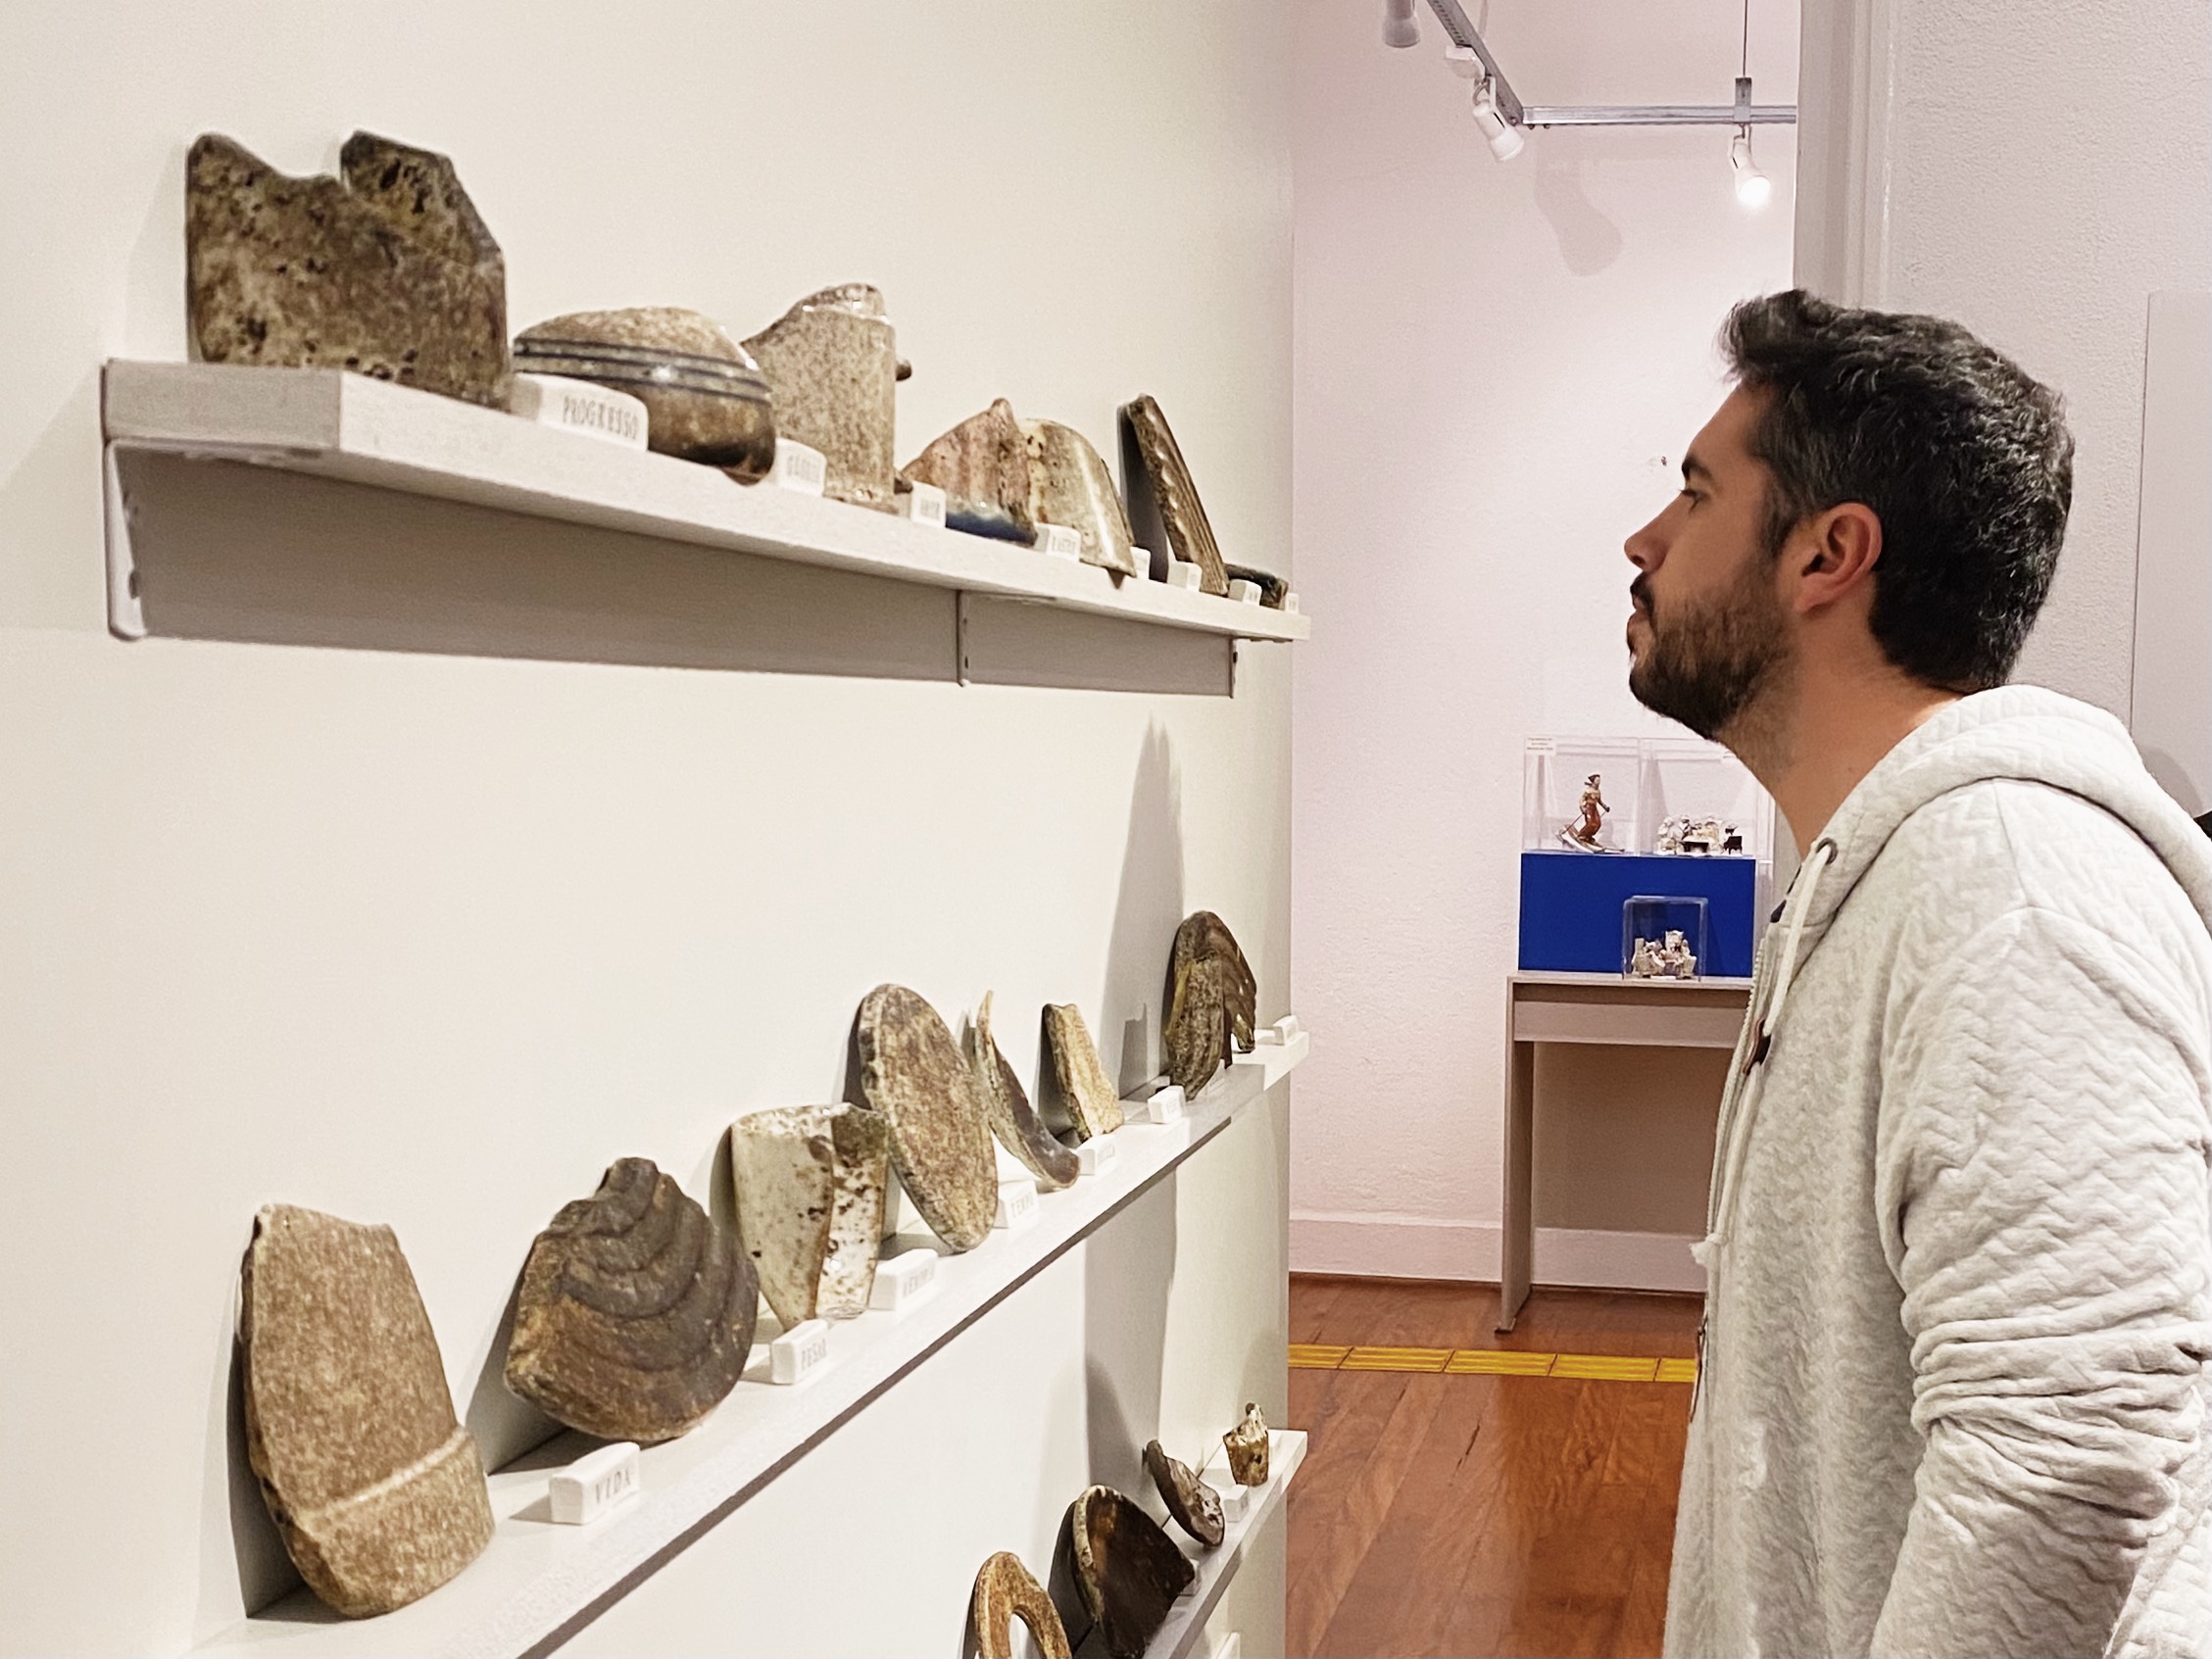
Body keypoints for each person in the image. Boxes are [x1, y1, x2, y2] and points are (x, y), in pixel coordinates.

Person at [1625, 289, 2212, 1657]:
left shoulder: (2008, 889)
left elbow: (2068, 1455)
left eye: (1696, 495)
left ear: (1829, 553)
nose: (1645, 539)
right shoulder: (1883, 871)